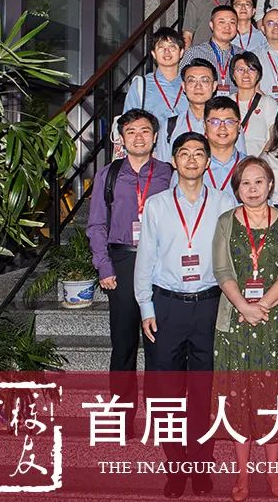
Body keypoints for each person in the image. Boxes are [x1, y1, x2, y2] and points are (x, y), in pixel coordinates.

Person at [135, 132, 237, 498]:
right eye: (184, 154)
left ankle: (201, 465)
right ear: (174, 161)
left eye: (198, 154)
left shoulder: (224, 202)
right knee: (166, 393)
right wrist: (146, 306)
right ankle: (176, 467)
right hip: (167, 305)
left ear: (208, 162)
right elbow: (145, 259)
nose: (191, 160)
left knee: (205, 392)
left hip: (210, 304)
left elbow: (232, 257)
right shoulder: (157, 205)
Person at [210, 156, 278, 501]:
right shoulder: (225, 222)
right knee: (239, 400)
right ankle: (243, 474)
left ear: (270, 184)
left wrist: (260, 305)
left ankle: (273, 472)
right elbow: (222, 271)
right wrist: (244, 307)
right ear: (237, 189)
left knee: (273, 398)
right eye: (245, 183)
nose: (252, 189)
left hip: (275, 322)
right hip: (235, 323)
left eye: (258, 181)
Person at [87, 109, 173, 434]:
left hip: (161, 264)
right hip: (123, 262)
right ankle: (123, 418)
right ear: (121, 139)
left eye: (145, 131)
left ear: (155, 137)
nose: (139, 137)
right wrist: (104, 265)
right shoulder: (108, 175)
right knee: (123, 345)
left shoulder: (168, 173)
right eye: (132, 131)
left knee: (159, 345)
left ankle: (160, 418)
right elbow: (96, 224)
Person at [120, 28, 187, 161]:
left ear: (181, 52)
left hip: (186, 156)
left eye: (172, 47)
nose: (167, 52)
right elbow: (128, 124)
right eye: (161, 47)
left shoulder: (191, 84)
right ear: (153, 54)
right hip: (152, 157)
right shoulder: (141, 85)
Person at [229, 51, 278, 157]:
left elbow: (274, 137)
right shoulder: (226, 103)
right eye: (240, 70)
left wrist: (259, 161)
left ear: (258, 75)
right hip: (232, 161)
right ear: (233, 75)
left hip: (261, 161)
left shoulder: (268, 103)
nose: (246, 74)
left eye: (251, 69)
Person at [181, 5, 238, 96]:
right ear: (211, 25)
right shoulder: (194, 53)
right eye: (221, 22)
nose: (227, 27)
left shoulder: (242, 55)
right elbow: (181, 84)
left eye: (232, 22)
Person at [168, 58, 223, 148]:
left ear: (214, 86)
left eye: (204, 81)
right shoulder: (170, 127)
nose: (198, 86)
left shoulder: (228, 125)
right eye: (192, 81)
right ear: (183, 87)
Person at [201, 96, 245, 198]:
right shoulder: (191, 166)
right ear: (204, 126)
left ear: (239, 126)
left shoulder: (250, 166)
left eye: (229, 122)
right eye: (215, 122)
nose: (222, 128)